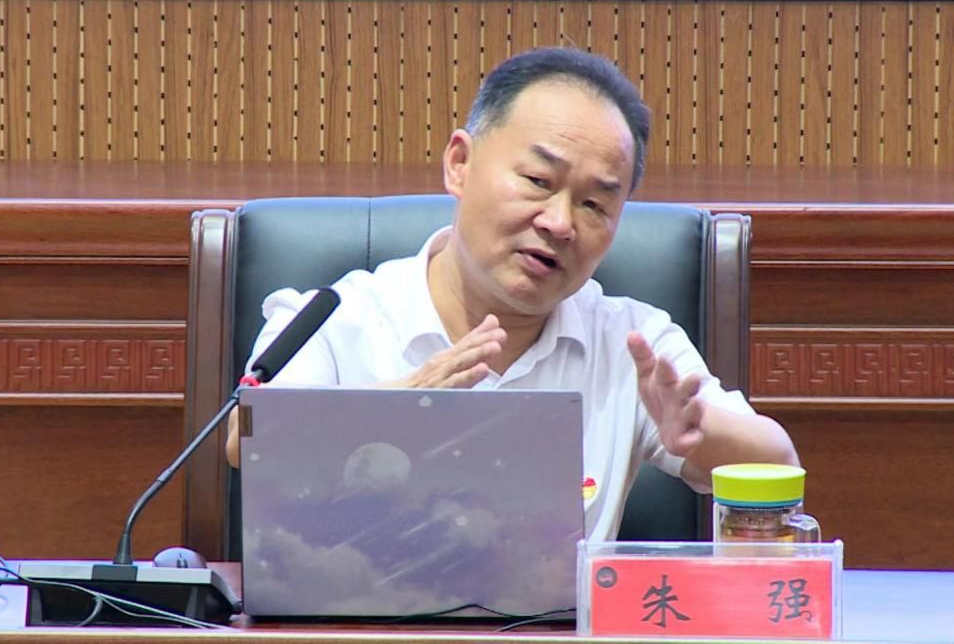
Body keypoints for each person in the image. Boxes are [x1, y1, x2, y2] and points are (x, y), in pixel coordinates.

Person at [226, 47, 798, 540]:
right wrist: (398, 408)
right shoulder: (327, 320)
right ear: (460, 164)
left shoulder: (632, 343)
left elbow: (778, 462)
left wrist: (700, 432)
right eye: (538, 181)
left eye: (594, 204)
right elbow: (250, 444)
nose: (560, 223)